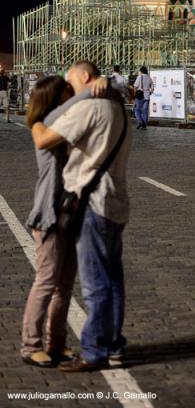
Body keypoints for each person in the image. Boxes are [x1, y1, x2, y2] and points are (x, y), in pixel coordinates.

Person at [31, 60, 131, 371]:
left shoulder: (90, 108)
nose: (70, 89)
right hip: (116, 202)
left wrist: (35, 118)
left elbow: (45, 138)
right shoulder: (119, 109)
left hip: (92, 204)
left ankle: (94, 350)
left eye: (72, 82)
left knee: (95, 283)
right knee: (113, 280)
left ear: (85, 78)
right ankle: (113, 343)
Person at [21, 73, 109, 367]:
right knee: (45, 282)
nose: (73, 95)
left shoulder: (62, 129)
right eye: (67, 92)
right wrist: (87, 93)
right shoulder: (41, 126)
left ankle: (56, 344)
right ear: (56, 98)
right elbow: (61, 114)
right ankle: (30, 345)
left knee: (64, 285)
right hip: (48, 216)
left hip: (69, 215)